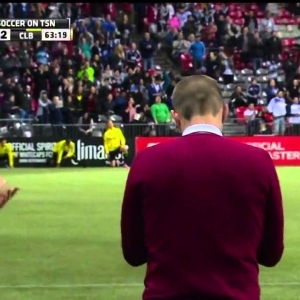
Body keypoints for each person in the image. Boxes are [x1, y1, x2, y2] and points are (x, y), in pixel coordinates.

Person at [121, 75, 284, 300]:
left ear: (175, 117)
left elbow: (133, 253)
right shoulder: (258, 161)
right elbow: (271, 254)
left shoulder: (147, 161)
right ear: (225, 111)